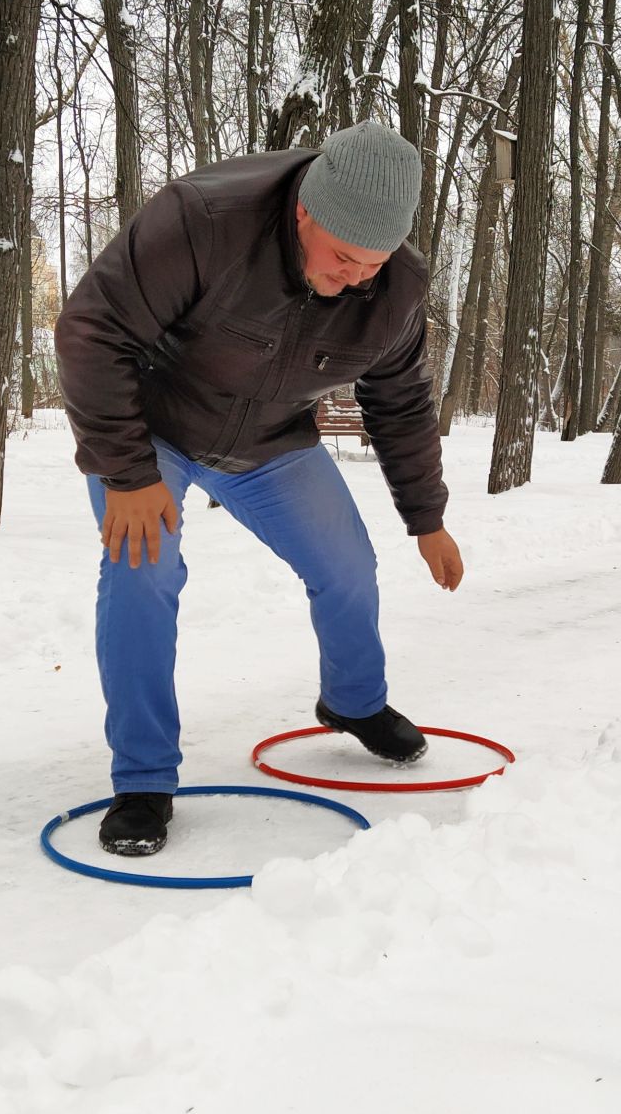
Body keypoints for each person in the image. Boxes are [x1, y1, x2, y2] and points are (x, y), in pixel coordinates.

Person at [54, 121, 465, 856]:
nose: (357, 279)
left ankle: (353, 704)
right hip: (152, 424)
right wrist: (127, 472)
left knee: (346, 566)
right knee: (142, 569)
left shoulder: (395, 286)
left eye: (373, 263)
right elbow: (91, 329)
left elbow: (400, 403)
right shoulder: (203, 220)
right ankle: (144, 778)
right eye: (343, 258)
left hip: (270, 439)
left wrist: (426, 517)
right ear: (305, 209)